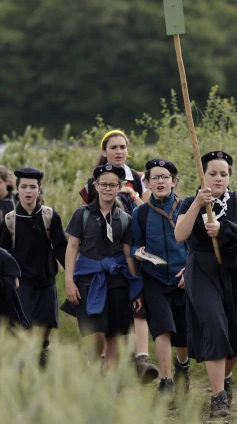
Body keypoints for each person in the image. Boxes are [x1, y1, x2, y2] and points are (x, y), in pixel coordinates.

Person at [174, 151, 237, 418]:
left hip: (235, 271)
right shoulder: (191, 202)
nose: (218, 178)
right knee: (215, 325)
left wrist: (225, 228)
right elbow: (180, 235)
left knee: (235, 330)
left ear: (230, 176)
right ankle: (218, 398)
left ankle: (225, 379)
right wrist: (196, 206)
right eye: (213, 173)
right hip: (202, 271)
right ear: (202, 175)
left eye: (223, 174)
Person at [78, 129, 155, 380]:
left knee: (139, 301)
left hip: (137, 247)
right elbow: (83, 217)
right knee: (111, 309)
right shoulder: (93, 182)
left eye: (123, 147)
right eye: (113, 148)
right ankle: (106, 362)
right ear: (104, 151)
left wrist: (132, 195)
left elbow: (150, 212)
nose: (119, 152)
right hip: (108, 254)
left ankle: (142, 357)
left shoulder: (141, 178)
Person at [65, 164, 142, 368]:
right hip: (88, 281)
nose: (108, 189)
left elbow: (127, 255)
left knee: (115, 335)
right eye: (103, 184)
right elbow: (72, 247)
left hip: (117, 280)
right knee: (95, 332)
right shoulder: (82, 214)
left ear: (119, 187)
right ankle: (95, 366)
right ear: (96, 186)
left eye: (112, 185)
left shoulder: (125, 218)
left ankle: (110, 383)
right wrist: (69, 282)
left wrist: (136, 290)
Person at [131, 158, 190, 394]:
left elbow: (196, 245)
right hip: (154, 278)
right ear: (147, 182)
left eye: (165, 176)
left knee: (183, 332)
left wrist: (190, 270)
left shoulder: (187, 207)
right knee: (162, 327)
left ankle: (182, 367)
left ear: (174, 181)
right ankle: (166, 380)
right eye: (154, 177)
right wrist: (139, 252)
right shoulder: (140, 213)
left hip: (183, 278)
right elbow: (135, 244)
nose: (160, 181)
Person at [0, 167, 68, 367]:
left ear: (39, 190)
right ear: (17, 189)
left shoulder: (49, 216)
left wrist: (72, 275)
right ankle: (28, 364)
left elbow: (61, 247)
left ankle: (44, 346)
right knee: (26, 324)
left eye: (32, 187)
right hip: (21, 281)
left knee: (47, 323)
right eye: (24, 187)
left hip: (46, 278)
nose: (28, 191)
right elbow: (2, 252)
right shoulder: (10, 220)